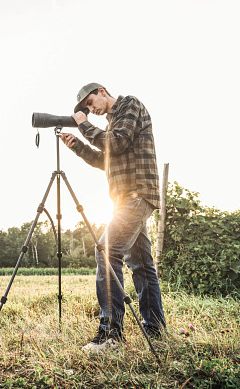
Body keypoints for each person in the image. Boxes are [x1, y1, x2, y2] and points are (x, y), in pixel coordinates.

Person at [61, 82, 167, 352]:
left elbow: (116, 143)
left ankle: (110, 336)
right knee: (142, 266)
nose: (90, 109)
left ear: (101, 91)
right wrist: (76, 145)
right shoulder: (110, 125)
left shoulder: (129, 105)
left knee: (106, 251)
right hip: (124, 200)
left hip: (137, 195)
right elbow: (105, 160)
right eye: (85, 108)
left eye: (89, 103)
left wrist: (83, 126)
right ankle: (156, 331)